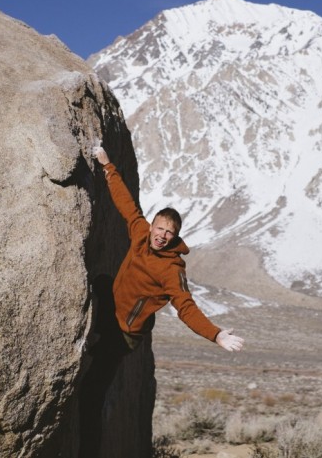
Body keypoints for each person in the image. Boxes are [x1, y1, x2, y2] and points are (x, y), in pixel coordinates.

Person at [93, 146, 244, 353]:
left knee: (96, 375)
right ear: (152, 226)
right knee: (98, 281)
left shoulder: (171, 269)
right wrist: (107, 166)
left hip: (126, 330)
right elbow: (127, 205)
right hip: (113, 308)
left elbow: (186, 307)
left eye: (169, 233)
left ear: (175, 237)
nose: (162, 236)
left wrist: (215, 334)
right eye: (160, 229)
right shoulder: (141, 233)